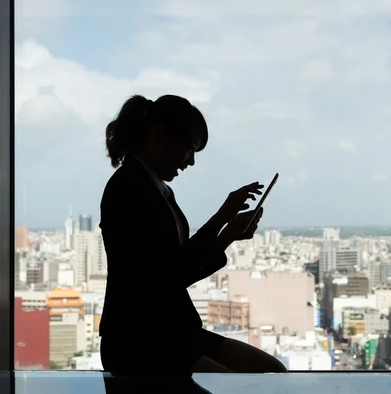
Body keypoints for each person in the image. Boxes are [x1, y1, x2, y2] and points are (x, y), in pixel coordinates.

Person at [99, 94, 287, 385]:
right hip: (141, 341)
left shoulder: (154, 187)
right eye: (189, 148)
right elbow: (169, 274)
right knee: (259, 379)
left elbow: (175, 268)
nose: (191, 161)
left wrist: (226, 232)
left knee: (272, 372)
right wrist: (223, 222)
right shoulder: (129, 188)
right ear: (160, 136)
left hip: (168, 333)